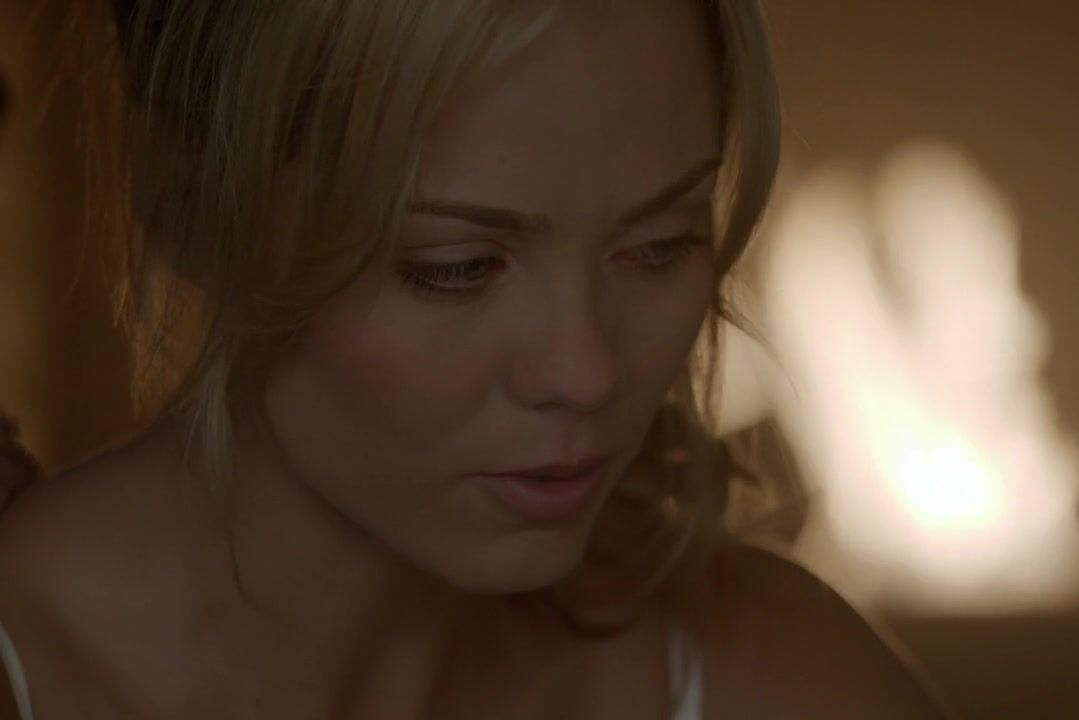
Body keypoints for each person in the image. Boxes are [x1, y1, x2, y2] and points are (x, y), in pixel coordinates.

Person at [0, 0, 949, 717]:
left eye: (661, 246)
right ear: (190, 203)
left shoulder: (769, 674)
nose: (586, 372)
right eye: (454, 268)